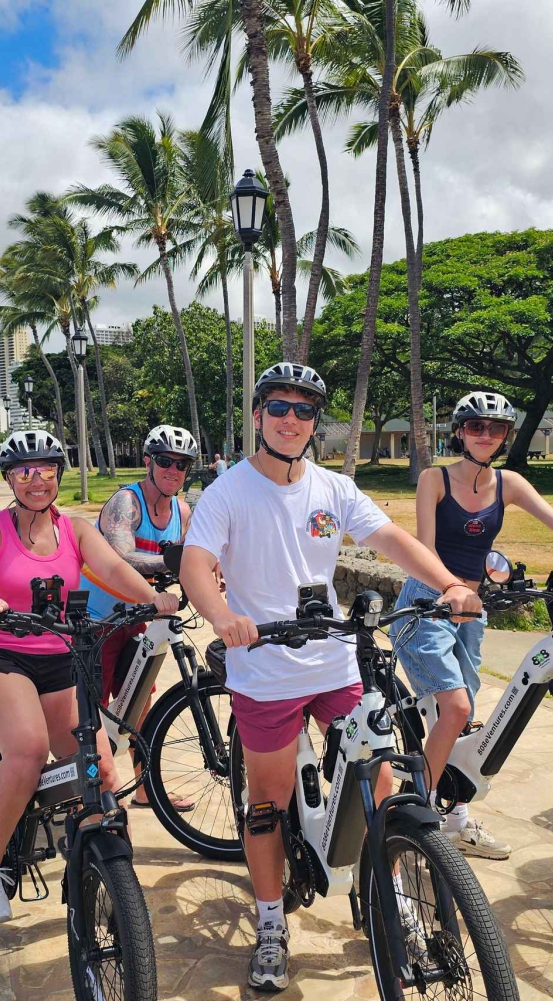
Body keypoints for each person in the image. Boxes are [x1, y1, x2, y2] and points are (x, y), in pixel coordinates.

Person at [179, 362, 482, 991]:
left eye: (305, 410)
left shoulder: (332, 489)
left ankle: (388, 891)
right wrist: (223, 616)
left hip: (333, 660)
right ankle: (270, 923)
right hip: (263, 667)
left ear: (317, 423)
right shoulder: (228, 491)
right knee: (268, 801)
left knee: (379, 782)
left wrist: (449, 582)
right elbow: (197, 563)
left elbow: (391, 538)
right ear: (258, 416)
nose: (292, 419)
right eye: (279, 407)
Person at [389, 391, 553, 861]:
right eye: (475, 427)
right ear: (459, 431)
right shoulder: (435, 479)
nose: (486, 435)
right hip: (429, 605)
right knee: (457, 709)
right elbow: (423, 548)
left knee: (466, 721)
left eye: (496, 428)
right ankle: (418, 820)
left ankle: (458, 818)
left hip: (474, 610)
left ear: (506, 435)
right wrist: (448, 590)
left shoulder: (509, 483)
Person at [0, 429, 180, 924]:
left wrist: (152, 596)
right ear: (9, 477)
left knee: (98, 764)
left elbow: (111, 567)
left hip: (55, 658)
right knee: (29, 749)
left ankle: (102, 869)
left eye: (47, 470)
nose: (37, 481)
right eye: (24, 472)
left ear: (59, 473)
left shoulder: (75, 528)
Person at [78, 424, 197, 810]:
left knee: (140, 703)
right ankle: (87, 793)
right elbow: (120, 555)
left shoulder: (181, 510)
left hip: (136, 619)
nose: (172, 470)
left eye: (182, 464)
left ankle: (146, 789)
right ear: (148, 461)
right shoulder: (126, 503)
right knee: (89, 710)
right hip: (96, 620)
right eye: (165, 460)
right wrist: (175, 563)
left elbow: (195, 558)